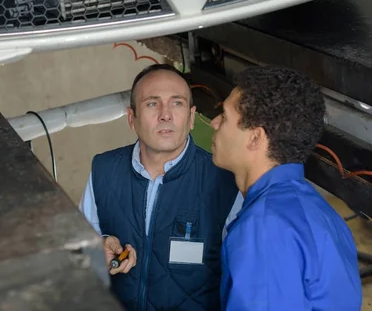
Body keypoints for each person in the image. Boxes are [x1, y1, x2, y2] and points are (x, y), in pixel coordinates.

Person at [79, 64, 241, 311]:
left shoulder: (224, 182)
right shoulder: (104, 170)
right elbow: (80, 254)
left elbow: (239, 283)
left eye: (177, 103)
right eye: (152, 104)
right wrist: (98, 248)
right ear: (131, 118)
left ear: (191, 117)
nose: (166, 115)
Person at [210, 65, 362, 310]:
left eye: (225, 117)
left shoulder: (263, 228)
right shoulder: (322, 212)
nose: (215, 123)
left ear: (255, 138)